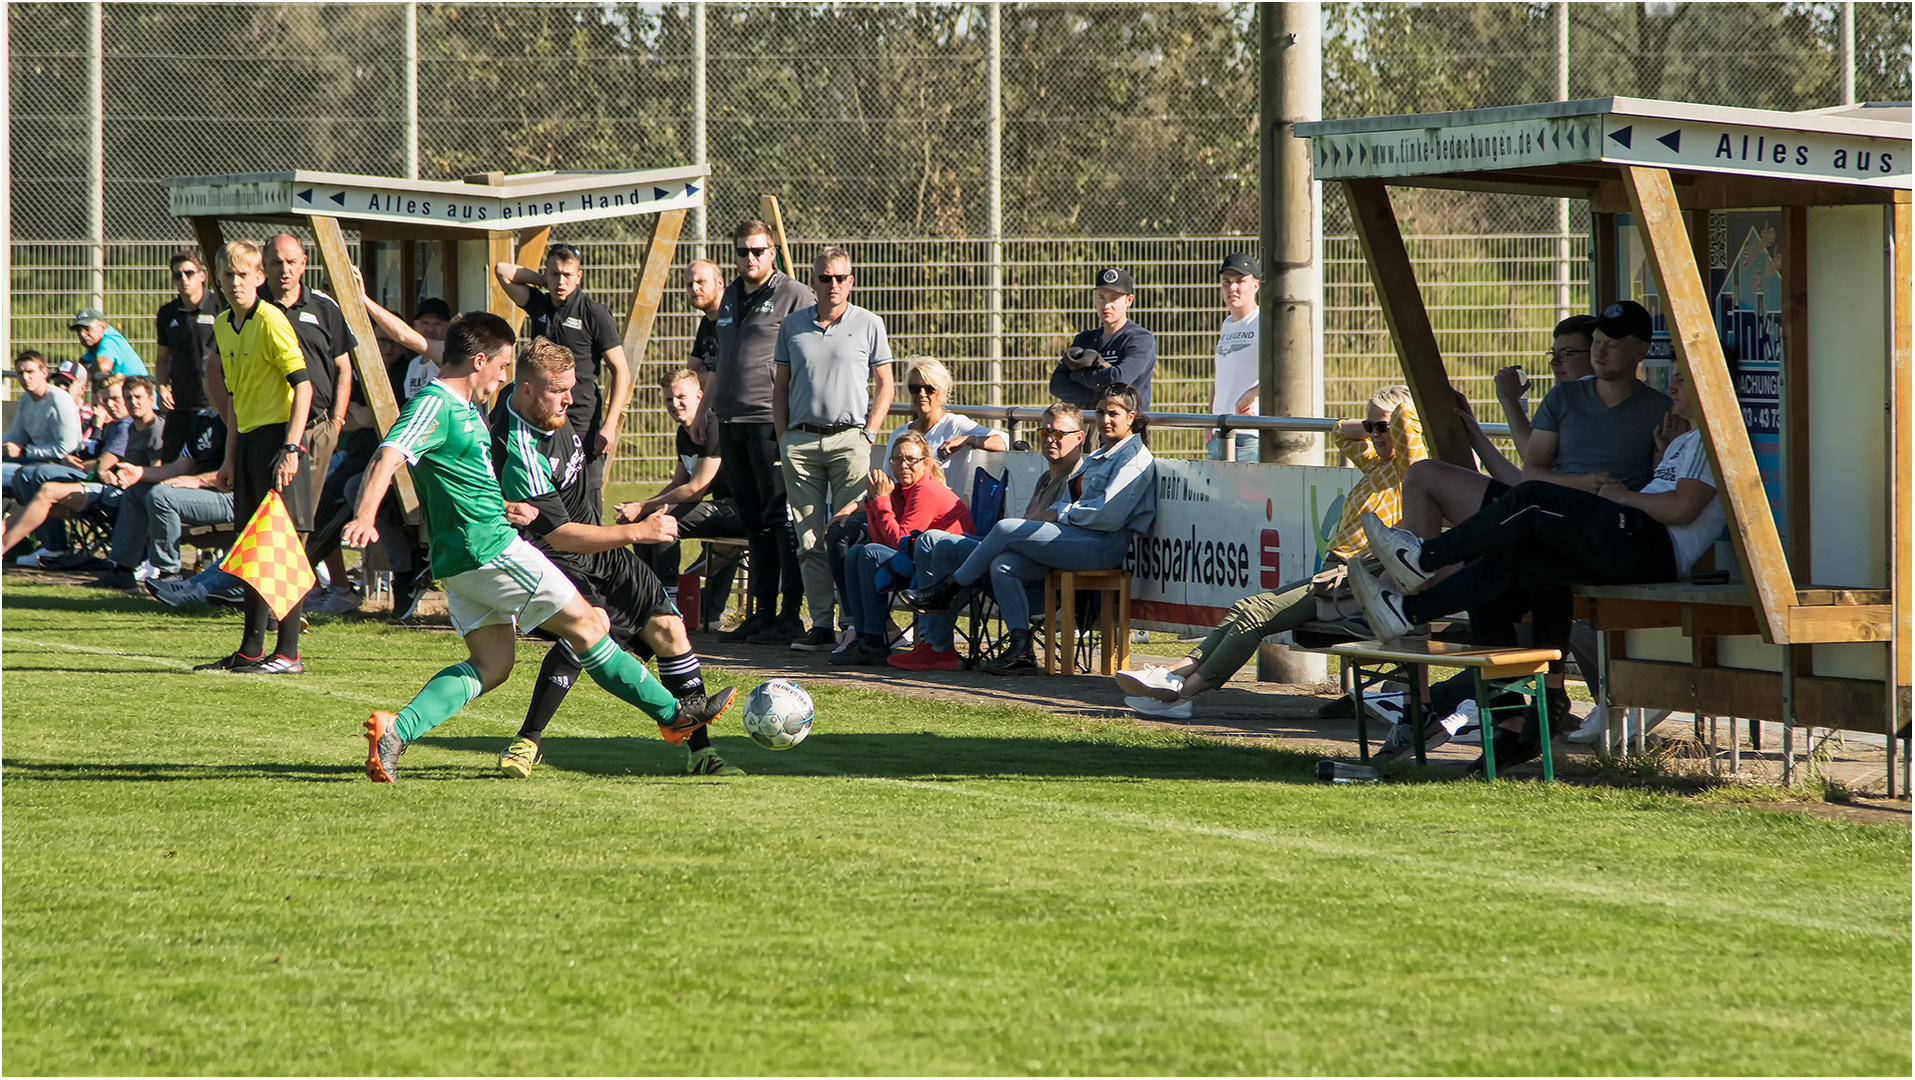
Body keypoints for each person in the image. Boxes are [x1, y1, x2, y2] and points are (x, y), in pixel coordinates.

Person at [344, 313, 729, 784]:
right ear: (480, 360)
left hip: (463, 560)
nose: (504, 376)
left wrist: (503, 504)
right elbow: (389, 455)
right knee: (589, 624)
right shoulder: (436, 403)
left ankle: (395, 730)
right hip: (490, 551)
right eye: (502, 366)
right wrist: (366, 516)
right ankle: (673, 715)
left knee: (492, 665)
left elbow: (453, 479)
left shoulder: (466, 407)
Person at [1351, 367, 1722, 768]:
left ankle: (1422, 559)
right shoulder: (1684, 439)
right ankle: (1410, 616)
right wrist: (1659, 460)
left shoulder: (1711, 438)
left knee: (1530, 500)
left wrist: (1623, 496)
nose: (1673, 385)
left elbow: (1682, 509)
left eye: (1683, 379)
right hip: (1630, 537)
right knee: (1504, 561)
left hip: (1649, 547)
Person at [493, 338, 741, 779]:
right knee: (588, 628)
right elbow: (562, 535)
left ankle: (701, 752)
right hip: (559, 553)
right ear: (527, 389)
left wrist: (609, 422)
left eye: (573, 387)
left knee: (670, 628)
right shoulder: (519, 447)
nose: (569, 399)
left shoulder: (553, 405)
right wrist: (638, 530)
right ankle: (527, 741)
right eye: (559, 390)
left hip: (602, 548)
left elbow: (617, 373)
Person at [1116, 386, 1425, 718]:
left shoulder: (1411, 470)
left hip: (1361, 583)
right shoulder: (1378, 465)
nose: (1375, 434)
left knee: (1255, 614)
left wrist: (1396, 417)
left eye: (1383, 427)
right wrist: (1371, 427)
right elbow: (1339, 431)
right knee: (1246, 606)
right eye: (1371, 426)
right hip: (1338, 575)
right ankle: (1175, 676)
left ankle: (1179, 695)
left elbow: (1408, 426)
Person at [904, 384, 1156, 676]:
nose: (1105, 420)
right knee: (1002, 564)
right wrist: (1063, 512)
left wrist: (1062, 513)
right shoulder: (1102, 455)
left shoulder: (1135, 458)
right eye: (1100, 412)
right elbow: (1072, 503)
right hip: (1078, 539)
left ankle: (948, 590)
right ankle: (1021, 650)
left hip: (1103, 546)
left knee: (1006, 528)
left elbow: (1108, 516)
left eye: (1113, 413)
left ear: (1131, 416)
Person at [890, 402, 1089, 673]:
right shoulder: (1046, 477)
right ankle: (932, 644)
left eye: (1059, 434)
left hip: (1035, 569)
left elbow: (1052, 531)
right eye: (1044, 433)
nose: (1050, 440)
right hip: (1011, 554)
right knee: (933, 541)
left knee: (932, 541)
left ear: (1080, 437)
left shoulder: (1079, 478)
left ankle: (936, 642)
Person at [192, 239, 314, 676]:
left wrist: (292, 447)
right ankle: (249, 651)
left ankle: (289, 654)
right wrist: (228, 457)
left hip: (277, 441)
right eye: (229, 275)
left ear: (259, 278)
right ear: (219, 281)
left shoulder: (272, 320)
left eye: (244, 275)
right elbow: (234, 397)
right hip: (245, 442)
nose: (236, 282)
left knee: (280, 547)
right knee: (250, 550)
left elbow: (303, 386)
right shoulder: (224, 324)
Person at [772, 246, 896, 650]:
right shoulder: (792, 325)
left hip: (850, 440)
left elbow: (886, 384)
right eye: (826, 278)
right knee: (808, 538)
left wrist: (869, 433)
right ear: (814, 281)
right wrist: (783, 437)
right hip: (801, 441)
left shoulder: (870, 323)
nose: (833, 285)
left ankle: (853, 622)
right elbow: (781, 387)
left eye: (841, 277)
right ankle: (821, 624)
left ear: (851, 281)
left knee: (848, 532)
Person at [304, 289, 443, 619]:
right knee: (322, 495)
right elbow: (357, 421)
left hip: (423, 459)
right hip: (390, 456)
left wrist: (340, 409)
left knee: (346, 491)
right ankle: (326, 584)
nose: (431, 329)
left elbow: (369, 419)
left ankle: (337, 585)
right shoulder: (408, 370)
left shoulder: (429, 363)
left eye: (439, 324)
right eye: (425, 322)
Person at [708, 220, 813, 643]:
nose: (749, 258)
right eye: (742, 251)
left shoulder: (794, 294)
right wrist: (704, 413)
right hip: (730, 421)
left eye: (757, 250)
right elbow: (719, 358)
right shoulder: (730, 294)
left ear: (773, 253)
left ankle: (789, 616)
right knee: (752, 521)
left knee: (778, 518)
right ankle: (761, 612)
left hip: (768, 423)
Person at [494, 243, 629, 513]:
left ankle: (590, 553)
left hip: (579, 421)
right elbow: (502, 271)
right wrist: (543, 280)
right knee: (542, 495)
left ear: (579, 277)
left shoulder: (593, 313)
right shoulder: (540, 303)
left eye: (568, 275)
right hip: (540, 419)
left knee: (584, 502)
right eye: (555, 274)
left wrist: (610, 424)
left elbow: (621, 371)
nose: (561, 281)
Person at [832, 430, 974, 666]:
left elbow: (900, 541)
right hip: (917, 560)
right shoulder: (902, 490)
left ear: (925, 463)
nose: (903, 465)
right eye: (897, 459)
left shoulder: (924, 490)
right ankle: (866, 636)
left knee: (867, 553)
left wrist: (880, 502)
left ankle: (875, 641)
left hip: (944, 569)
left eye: (911, 459)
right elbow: (883, 540)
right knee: (857, 552)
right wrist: (873, 503)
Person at [3, 375, 166, 578]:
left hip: (121, 493)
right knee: (38, 489)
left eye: (118, 398)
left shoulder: (146, 428)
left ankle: (14, 545)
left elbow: (154, 475)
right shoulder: (130, 426)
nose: (116, 405)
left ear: (151, 399)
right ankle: (21, 541)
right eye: (108, 400)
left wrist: (118, 476)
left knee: (43, 484)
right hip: (111, 488)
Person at [630, 367, 744, 609]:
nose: (675, 404)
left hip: (744, 507)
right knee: (644, 522)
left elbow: (696, 489)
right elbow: (677, 483)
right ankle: (648, 596)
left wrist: (645, 505)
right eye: (669, 399)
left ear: (699, 397)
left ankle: (668, 603)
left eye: (681, 397)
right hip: (721, 506)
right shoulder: (684, 433)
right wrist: (640, 509)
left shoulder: (712, 426)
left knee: (665, 521)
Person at [263, 234, 356, 518]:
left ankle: (306, 562)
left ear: (304, 264)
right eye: (277, 263)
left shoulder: (324, 307)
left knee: (305, 517)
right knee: (271, 516)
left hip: (316, 430)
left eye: (291, 262)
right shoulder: (253, 307)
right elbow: (217, 367)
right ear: (264, 266)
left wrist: (336, 423)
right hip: (267, 427)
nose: (285, 269)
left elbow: (344, 368)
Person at [1049, 267, 1156, 411]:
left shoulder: (1140, 339)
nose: (1106, 305)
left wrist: (1078, 376)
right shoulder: (1085, 338)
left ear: (1129, 300)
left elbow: (1119, 378)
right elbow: (1057, 385)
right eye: (1101, 297)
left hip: (1126, 430)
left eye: (1114, 299)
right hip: (1087, 428)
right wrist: (1103, 393)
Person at [154, 250, 220, 462]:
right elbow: (163, 358)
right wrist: (161, 387)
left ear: (202, 275)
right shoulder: (167, 313)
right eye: (177, 275)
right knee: (170, 466)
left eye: (189, 273)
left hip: (214, 406)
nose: (184, 279)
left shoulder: (219, 306)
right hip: (180, 408)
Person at [3, 351, 81, 501]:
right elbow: (15, 436)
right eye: (20, 373)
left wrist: (26, 452)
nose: (25, 378)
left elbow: (67, 448)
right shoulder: (25, 399)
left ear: (44, 372)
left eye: (30, 371)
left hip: (60, 466)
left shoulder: (59, 399)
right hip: (35, 461)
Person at [1207, 253, 1262, 463]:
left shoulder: (1262, 321)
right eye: (1227, 282)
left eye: (1240, 281)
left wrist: (1249, 396)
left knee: (1246, 496)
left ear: (1255, 285)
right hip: (1220, 431)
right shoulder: (1227, 323)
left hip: (1248, 435)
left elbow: (1282, 376)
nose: (1232, 288)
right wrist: (1209, 420)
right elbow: (1220, 376)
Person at [72, 308, 149, 379]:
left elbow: (102, 366)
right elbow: (80, 367)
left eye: (87, 329)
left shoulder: (109, 340)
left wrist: (86, 372)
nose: (82, 334)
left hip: (139, 391)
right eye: (79, 330)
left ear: (103, 326)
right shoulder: (94, 346)